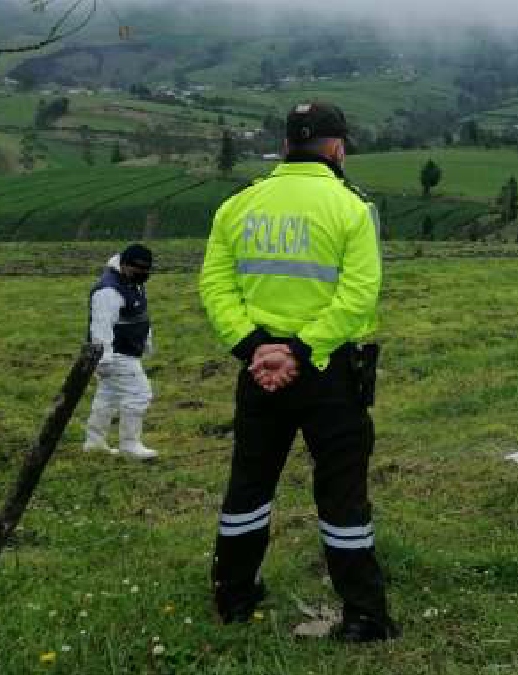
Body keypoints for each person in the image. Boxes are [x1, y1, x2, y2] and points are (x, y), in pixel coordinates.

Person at [198, 101, 396, 643]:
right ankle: (363, 614)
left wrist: (256, 349)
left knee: (249, 487)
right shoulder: (353, 208)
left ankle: (233, 597)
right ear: (337, 148)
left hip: (259, 374)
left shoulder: (236, 206)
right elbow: (359, 296)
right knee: (342, 496)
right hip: (331, 373)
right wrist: (302, 352)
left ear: (285, 146)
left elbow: (215, 287)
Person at [83, 244, 158, 460]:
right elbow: (101, 326)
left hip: (128, 351)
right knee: (140, 394)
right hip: (116, 355)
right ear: (124, 265)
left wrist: (146, 341)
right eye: (138, 269)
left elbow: (139, 313)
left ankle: (94, 443)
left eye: (147, 270)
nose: (143, 274)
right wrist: (104, 360)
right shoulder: (109, 290)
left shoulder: (131, 283)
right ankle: (130, 445)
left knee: (107, 396)